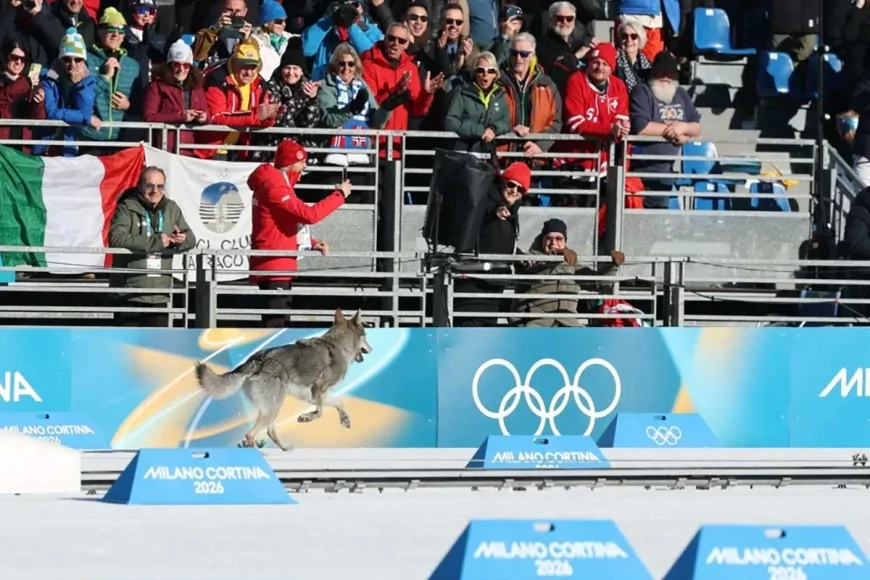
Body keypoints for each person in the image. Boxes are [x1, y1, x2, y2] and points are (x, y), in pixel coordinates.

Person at [247, 139, 353, 327]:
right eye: (302, 161)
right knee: (277, 327)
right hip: (275, 266)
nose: (305, 166)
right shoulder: (275, 187)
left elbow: (285, 222)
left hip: (277, 264)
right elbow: (309, 215)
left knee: (280, 325)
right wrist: (340, 195)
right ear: (289, 164)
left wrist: (311, 243)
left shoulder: (277, 184)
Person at [108, 166, 196, 327]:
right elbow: (117, 238)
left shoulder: (171, 208)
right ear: (140, 186)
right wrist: (155, 242)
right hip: (130, 293)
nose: (155, 190)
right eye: (149, 185)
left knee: (156, 343)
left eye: (160, 186)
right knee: (127, 342)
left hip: (159, 294)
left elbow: (191, 238)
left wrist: (181, 240)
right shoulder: (127, 207)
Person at [452, 161, 530, 327]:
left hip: (493, 291)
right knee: (468, 336)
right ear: (502, 183)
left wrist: (520, 257)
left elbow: (500, 244)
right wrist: (494, 210)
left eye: (520, 189)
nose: (514, 191)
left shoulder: (512, 215)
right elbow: (477, 213)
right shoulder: (484, 200)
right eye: (511, 185)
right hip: (472, 290)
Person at [512, 218, 625, 327]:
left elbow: (598, 283)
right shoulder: (530, 259)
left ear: (565, 242)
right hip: (535, 324)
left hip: (567, 323)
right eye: (549, 238)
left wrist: (612, 265)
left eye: (559, 239)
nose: (553, 243)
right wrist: (557, 254)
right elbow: (535, 271)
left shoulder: (571, 263)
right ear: (542, 240)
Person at [629, 50, 702, 208]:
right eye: (660, 72)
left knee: (656, 216)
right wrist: (674, 132)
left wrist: (684, 127)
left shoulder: (681, 94)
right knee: (640, 218)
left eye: (669, 73)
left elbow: (697, 127)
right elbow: (641, 127)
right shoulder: (642, 91)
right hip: (642, 170)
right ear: (652, 72)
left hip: (665, 170)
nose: (665, 77)